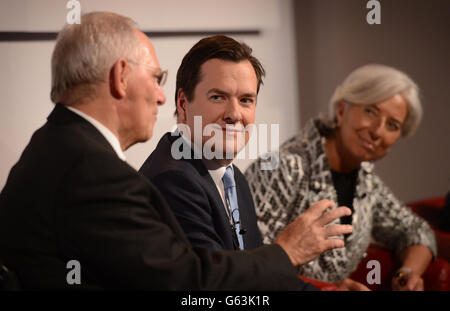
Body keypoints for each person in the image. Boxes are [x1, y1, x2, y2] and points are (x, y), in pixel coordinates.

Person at [0, 12, 353, 290]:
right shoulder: (93, 170)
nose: (161, 96)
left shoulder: (59, 146)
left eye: (246, 100)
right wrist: (286, 252)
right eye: (156, 78)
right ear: (121, 76)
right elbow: (187, 285)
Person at [245, 64, 437, 291]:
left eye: (392, 125)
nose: (377, 131)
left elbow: (416, 230)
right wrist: (325, 289)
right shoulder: (280, 168)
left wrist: (408, 272)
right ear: (341, 109)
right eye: (370, 111)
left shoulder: (367, 183)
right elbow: (250, 263)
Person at [139, 35, 265, 251]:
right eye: (218, 97)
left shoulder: (237, 182)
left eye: (245, 100)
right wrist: (287, 253)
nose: (234, 114)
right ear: (183, 104)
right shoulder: (173, 180)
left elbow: (256, 277)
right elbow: (216, 281)